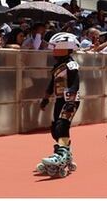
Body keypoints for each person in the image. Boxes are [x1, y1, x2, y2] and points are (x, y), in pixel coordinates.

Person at [36, 32, 81, 177]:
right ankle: (64, 153)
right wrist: (46, 98)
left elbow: (75, 83)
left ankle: (61, 154)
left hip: (70, 100)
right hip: (59, 99)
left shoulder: (71, 64)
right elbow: (51, 84)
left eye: (55, 47)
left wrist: (71, 101)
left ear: (64, 47)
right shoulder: (57, 66)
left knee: (62, 125)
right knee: (55, 128)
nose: (53, 50)